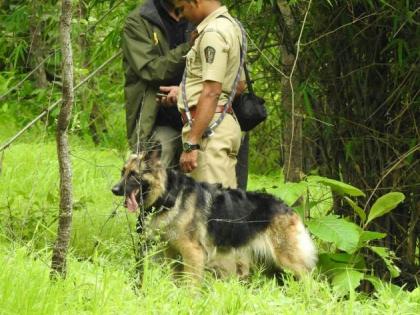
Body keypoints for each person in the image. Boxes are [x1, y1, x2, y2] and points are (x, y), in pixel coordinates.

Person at [173, 0, 246, 188]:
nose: (180, 16)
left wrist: (192, 143)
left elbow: (211, 91)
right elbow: (239, 85)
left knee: (213, 209)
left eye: (181, 8)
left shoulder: (212, 33)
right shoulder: (232, 26)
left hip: (209, 131)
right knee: (225, 207)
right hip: (220, 124)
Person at [122, 0, 194, 168]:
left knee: (197, 191)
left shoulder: (198, 16)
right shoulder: (139, 21)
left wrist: (184, 92)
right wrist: (189, 47)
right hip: (158, 123)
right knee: (148, 183)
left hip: (197, 120)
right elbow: (151, 69)